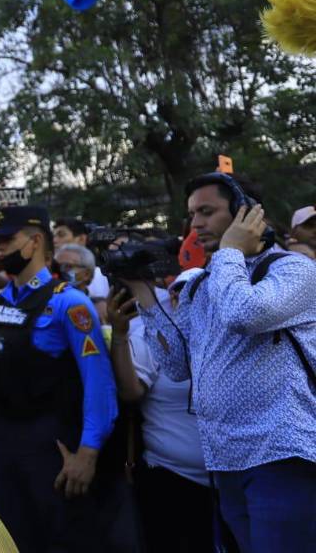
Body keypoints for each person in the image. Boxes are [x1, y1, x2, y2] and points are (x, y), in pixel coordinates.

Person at [127, 173, 316, 551]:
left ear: (247, 214)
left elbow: (244, 314)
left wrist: (230, 251)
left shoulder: (292, 269)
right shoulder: (202, 283)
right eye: (192, 214)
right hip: (223, 460)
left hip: (281, 455)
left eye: (207, 211)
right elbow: (178, 365)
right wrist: (143, 296)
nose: (195, 224)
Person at [0, 200, 118, 552]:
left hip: (50, 444)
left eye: (7, 239)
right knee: (14, 539)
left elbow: (99, 383)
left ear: (34, 242)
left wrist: (88, 452)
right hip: (2, 443)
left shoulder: (70, 303)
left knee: (62, 540)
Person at [106, 285, 212, 553]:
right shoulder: (152, 333)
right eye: (178, 292)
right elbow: (130, 391)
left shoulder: (231, 334)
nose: (185, 300)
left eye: (198, 292)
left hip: (230, 481)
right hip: (169, 477)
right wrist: (119, 335)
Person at [56, 243, 107, 322]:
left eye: (68, 266)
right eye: (56, 266)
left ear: (86, 274)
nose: (61, 271)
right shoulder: (44, 303)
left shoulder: (100, 309)